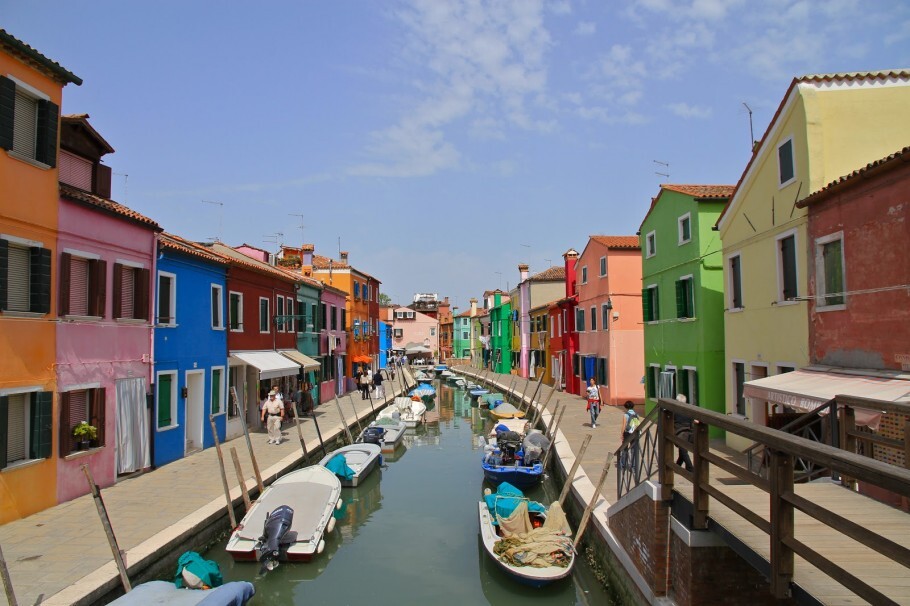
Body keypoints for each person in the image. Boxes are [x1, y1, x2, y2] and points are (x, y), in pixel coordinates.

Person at [674, 393, 694, 472]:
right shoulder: (689, 411)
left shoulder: (674, 411)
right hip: (689, 432)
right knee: (683, 449)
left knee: (683, 450)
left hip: (680, 433)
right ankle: (677, 465)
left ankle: (690, 468)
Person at [620, 401, 641, 470]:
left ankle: (623, 465)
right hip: (634, 433)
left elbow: (624, 425)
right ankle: (634, 467)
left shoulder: (625, 415)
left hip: (627, 433)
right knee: (634, 449)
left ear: (626, 407)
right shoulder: (636, 414)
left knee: (624, 448)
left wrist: (621, 434)